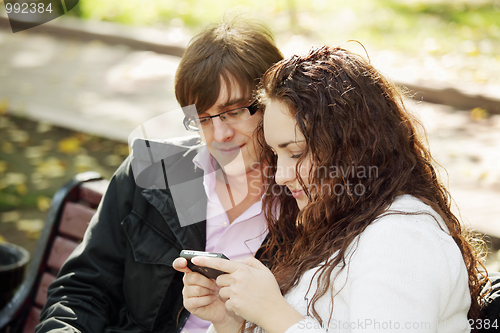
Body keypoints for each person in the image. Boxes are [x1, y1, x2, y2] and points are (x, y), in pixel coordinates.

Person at [175, 45, 487, 333]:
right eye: (276, 155)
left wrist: (273, 313)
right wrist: (231, 321)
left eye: (296, 153)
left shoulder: (402, 237)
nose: (281, 176)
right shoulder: (335, 224)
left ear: (352, 146)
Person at [36, 19, 283, 333]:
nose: (220, 134)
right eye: (203, 119)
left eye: (234, 111)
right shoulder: (152, 171)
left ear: (273, 103)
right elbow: (83, 288)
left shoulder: (305, 200)